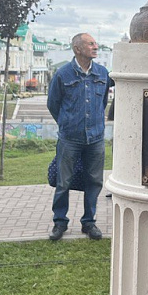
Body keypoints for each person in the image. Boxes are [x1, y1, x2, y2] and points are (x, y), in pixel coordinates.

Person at [47, 33, 112, 241]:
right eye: (91, 44)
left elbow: (102, 103)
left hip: (96, 138)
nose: (96, 46)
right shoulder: (63, 74)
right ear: (77, 49)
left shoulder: (102, 73)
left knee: (94, 181)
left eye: (95, 43)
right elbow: (53, 104)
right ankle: (60, 222)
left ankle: (89, 222)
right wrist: (68, 123)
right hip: (69, 138)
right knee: (63, 182)